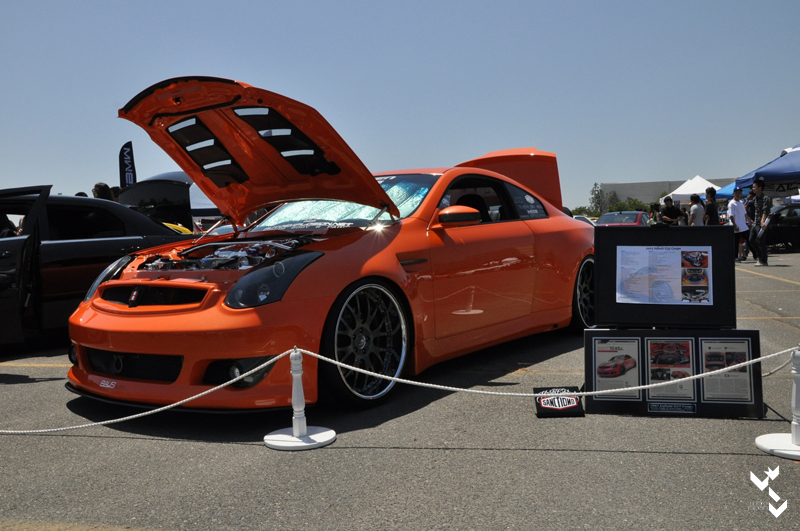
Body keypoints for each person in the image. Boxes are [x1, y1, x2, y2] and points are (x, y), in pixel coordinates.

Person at [748, 179, 773, 266]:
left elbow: (765, 211)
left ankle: (763, 260)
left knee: (761, 241)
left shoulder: (765, 198)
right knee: (751, 240)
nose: (753, 189)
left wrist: (762, 221)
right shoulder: (755, 198)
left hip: (762, 223)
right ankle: (759, 255)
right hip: (755, 223)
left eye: (754, 187)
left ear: (760, 188)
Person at [727, 187, 748, 261]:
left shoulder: (741, 202)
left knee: (746, 240)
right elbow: (731, 215)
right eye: (736, 192)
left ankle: (753, 255)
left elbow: (745, 213)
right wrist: (735, 225)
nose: (738, 194)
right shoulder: (731, 203)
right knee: (736, 242)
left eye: (739, 192)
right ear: (733, 193)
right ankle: (735, 256)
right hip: (736, 226)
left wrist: (750, 220)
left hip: (743, 226)